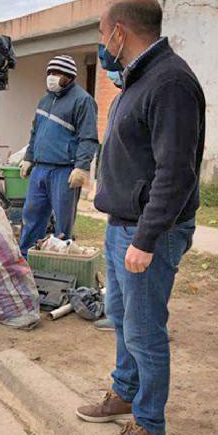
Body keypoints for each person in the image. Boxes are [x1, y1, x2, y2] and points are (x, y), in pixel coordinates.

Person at [76, 0, 205, 435]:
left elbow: (176, 171)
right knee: (123, 319)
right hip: (123, 225)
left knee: (145, 329)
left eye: (100, 33)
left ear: (120, 32)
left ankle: (150, 425)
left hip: (148, 232)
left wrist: (147, 238)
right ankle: (125, 392)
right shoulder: (138, 79)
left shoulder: (169, 82)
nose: (101, 42)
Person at [18, 55, 99, 257]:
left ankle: (59, 262)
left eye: (57, 73)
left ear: (70, 76)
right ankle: (27, 259)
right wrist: (29, 157)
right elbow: (35, 132)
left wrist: (81, 167)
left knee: (63, 224)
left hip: (64, 171)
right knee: (31, 217)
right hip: (40, 169)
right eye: (50, 73)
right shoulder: (45, 100)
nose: (52, 77)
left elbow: (88, 137)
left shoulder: (83, 100)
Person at [92, 69, 123, 333]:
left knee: (141, 317)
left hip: (137, 219)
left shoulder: (164, 87)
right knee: (116, 284)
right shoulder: (119, 100)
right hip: (116, 213)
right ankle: (115, 319)